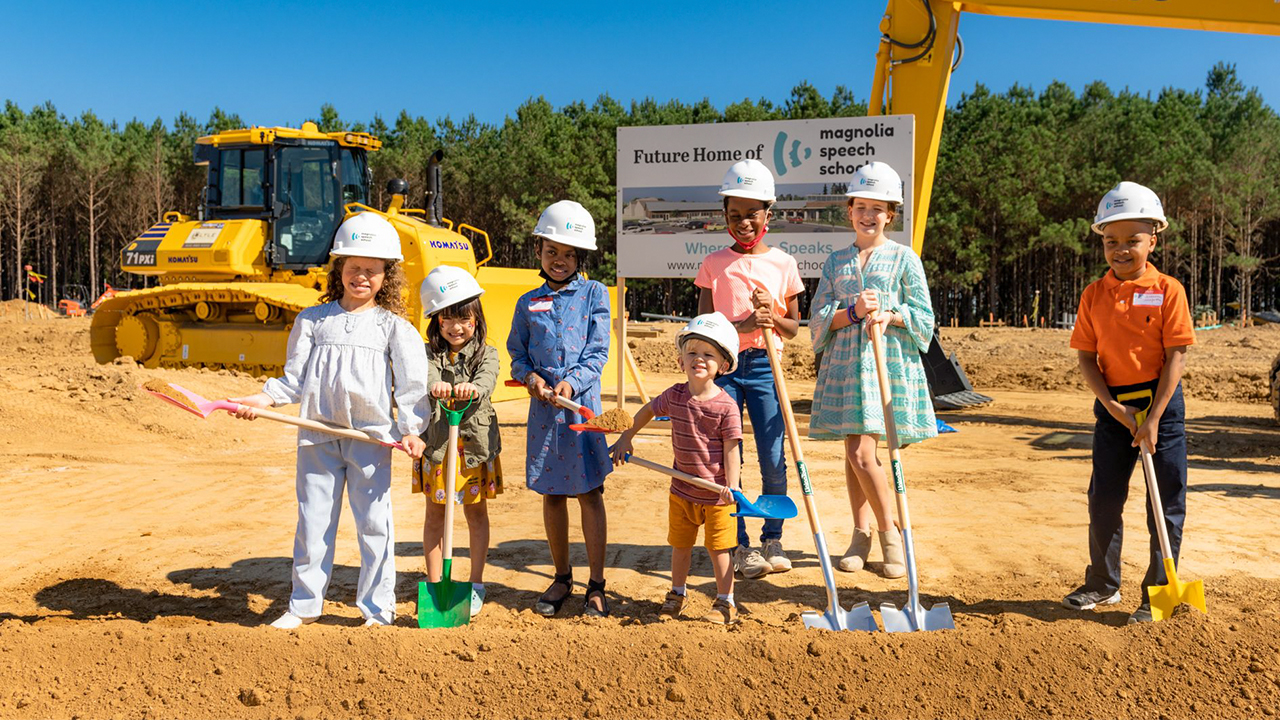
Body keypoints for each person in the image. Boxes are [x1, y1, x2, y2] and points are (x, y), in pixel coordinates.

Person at [231, 212, 429, 628]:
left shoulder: (393, 328)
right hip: (317, 438)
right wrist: (261, 400)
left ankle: (377, 610)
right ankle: (303, 606)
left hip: (371, 439)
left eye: (372, 270)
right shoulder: (312, 321)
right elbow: (293, 381)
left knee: (376, 527)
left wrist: (413, 431)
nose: (361, 276)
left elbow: (412, 386)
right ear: (338, 268)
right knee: (313, 523)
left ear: (385, 275)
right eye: (353, 267)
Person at [1062, 181, 1195, 624]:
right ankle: (1102, 583)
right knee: (1103, 498)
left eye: (1132, 240)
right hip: (1113, 408)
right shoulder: (1093, 295)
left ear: (1153, 239)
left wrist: (1154, 416)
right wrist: (1114, 408)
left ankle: (1158, 590)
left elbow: (1176, 354)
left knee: (1166, 500)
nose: (1121, 249)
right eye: (1110, 240)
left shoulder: (1169, 290)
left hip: (1162, 406)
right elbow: (1086, 356)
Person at [808, 161, 935, 578]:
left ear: (890, 214)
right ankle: (860, 534)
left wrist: (892, 314)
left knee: (864, 453)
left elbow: (924, 316)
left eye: (877, 209)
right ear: (849, 210)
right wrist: (853, 310)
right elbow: (819, 317)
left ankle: (889, 534)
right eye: (861, 206)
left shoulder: (904, 258)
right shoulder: (835, 261)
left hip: (885, 366)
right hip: (845, 366)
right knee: (853, 453)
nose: (868, 215)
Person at [694, 159, 805, 580]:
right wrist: (739, 326)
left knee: (774, 457)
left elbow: (794, 327)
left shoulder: (783, 264)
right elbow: (703, 330)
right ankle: (740, 546)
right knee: (728, 459)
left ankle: (772, 539)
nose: (744, 222)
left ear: (768, 215)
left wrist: (771, 317)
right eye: (735, 215)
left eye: (752, 214)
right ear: (725, 217)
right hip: (725, 370)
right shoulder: (713, 264)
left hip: (765, 369)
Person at [507, 200, 613, 617]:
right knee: (553, 494)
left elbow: (598, 350)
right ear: (538, 251)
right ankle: (562, 576)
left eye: (569, 254)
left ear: (580, 257)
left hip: (580, 410)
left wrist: (571, 382)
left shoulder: (594, 294)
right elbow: (518, 354)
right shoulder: (526, 302)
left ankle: (597, 584)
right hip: (544, 414)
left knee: (589, 492)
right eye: (552, 252)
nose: (560, 261)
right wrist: (531, 379)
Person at [611, 313, 743, 624]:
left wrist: (732, 486)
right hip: (682, 490)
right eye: (692, 352)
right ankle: (677, 593)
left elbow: (732, 448)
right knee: (680, 545)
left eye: (709, 354)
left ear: (723, 365)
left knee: (719, 549)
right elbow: (646, 410)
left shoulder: (726, 406)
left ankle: (725, 602)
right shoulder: (675, 395)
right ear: (681, 360)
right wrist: (627, 436)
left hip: (717, 495)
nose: (699, 359)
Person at [415, 265, 502, 619]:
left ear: (476, 319)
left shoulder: (487, 353)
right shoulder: (428, 353)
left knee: (475, 512)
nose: (456, 327)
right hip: (439, 447)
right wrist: (434, 385)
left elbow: (487, 380)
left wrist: (474, 388)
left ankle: (476, 582)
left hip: (473, 449)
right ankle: (436, 584)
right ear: (436, 321)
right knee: (435, 514)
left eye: (464, 319)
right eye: (447, 319)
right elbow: (428, 375)